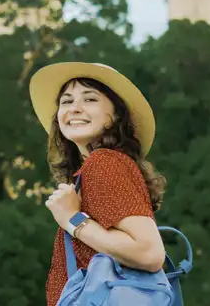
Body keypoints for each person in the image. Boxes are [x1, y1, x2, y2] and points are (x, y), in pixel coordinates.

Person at [29, 62, 168, 306]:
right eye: (66, 101)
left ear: (116, 115)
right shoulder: (97, 167)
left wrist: (73, 220)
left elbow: (150, 254)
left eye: (90, 99)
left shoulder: (104, 163)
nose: (75, 109)